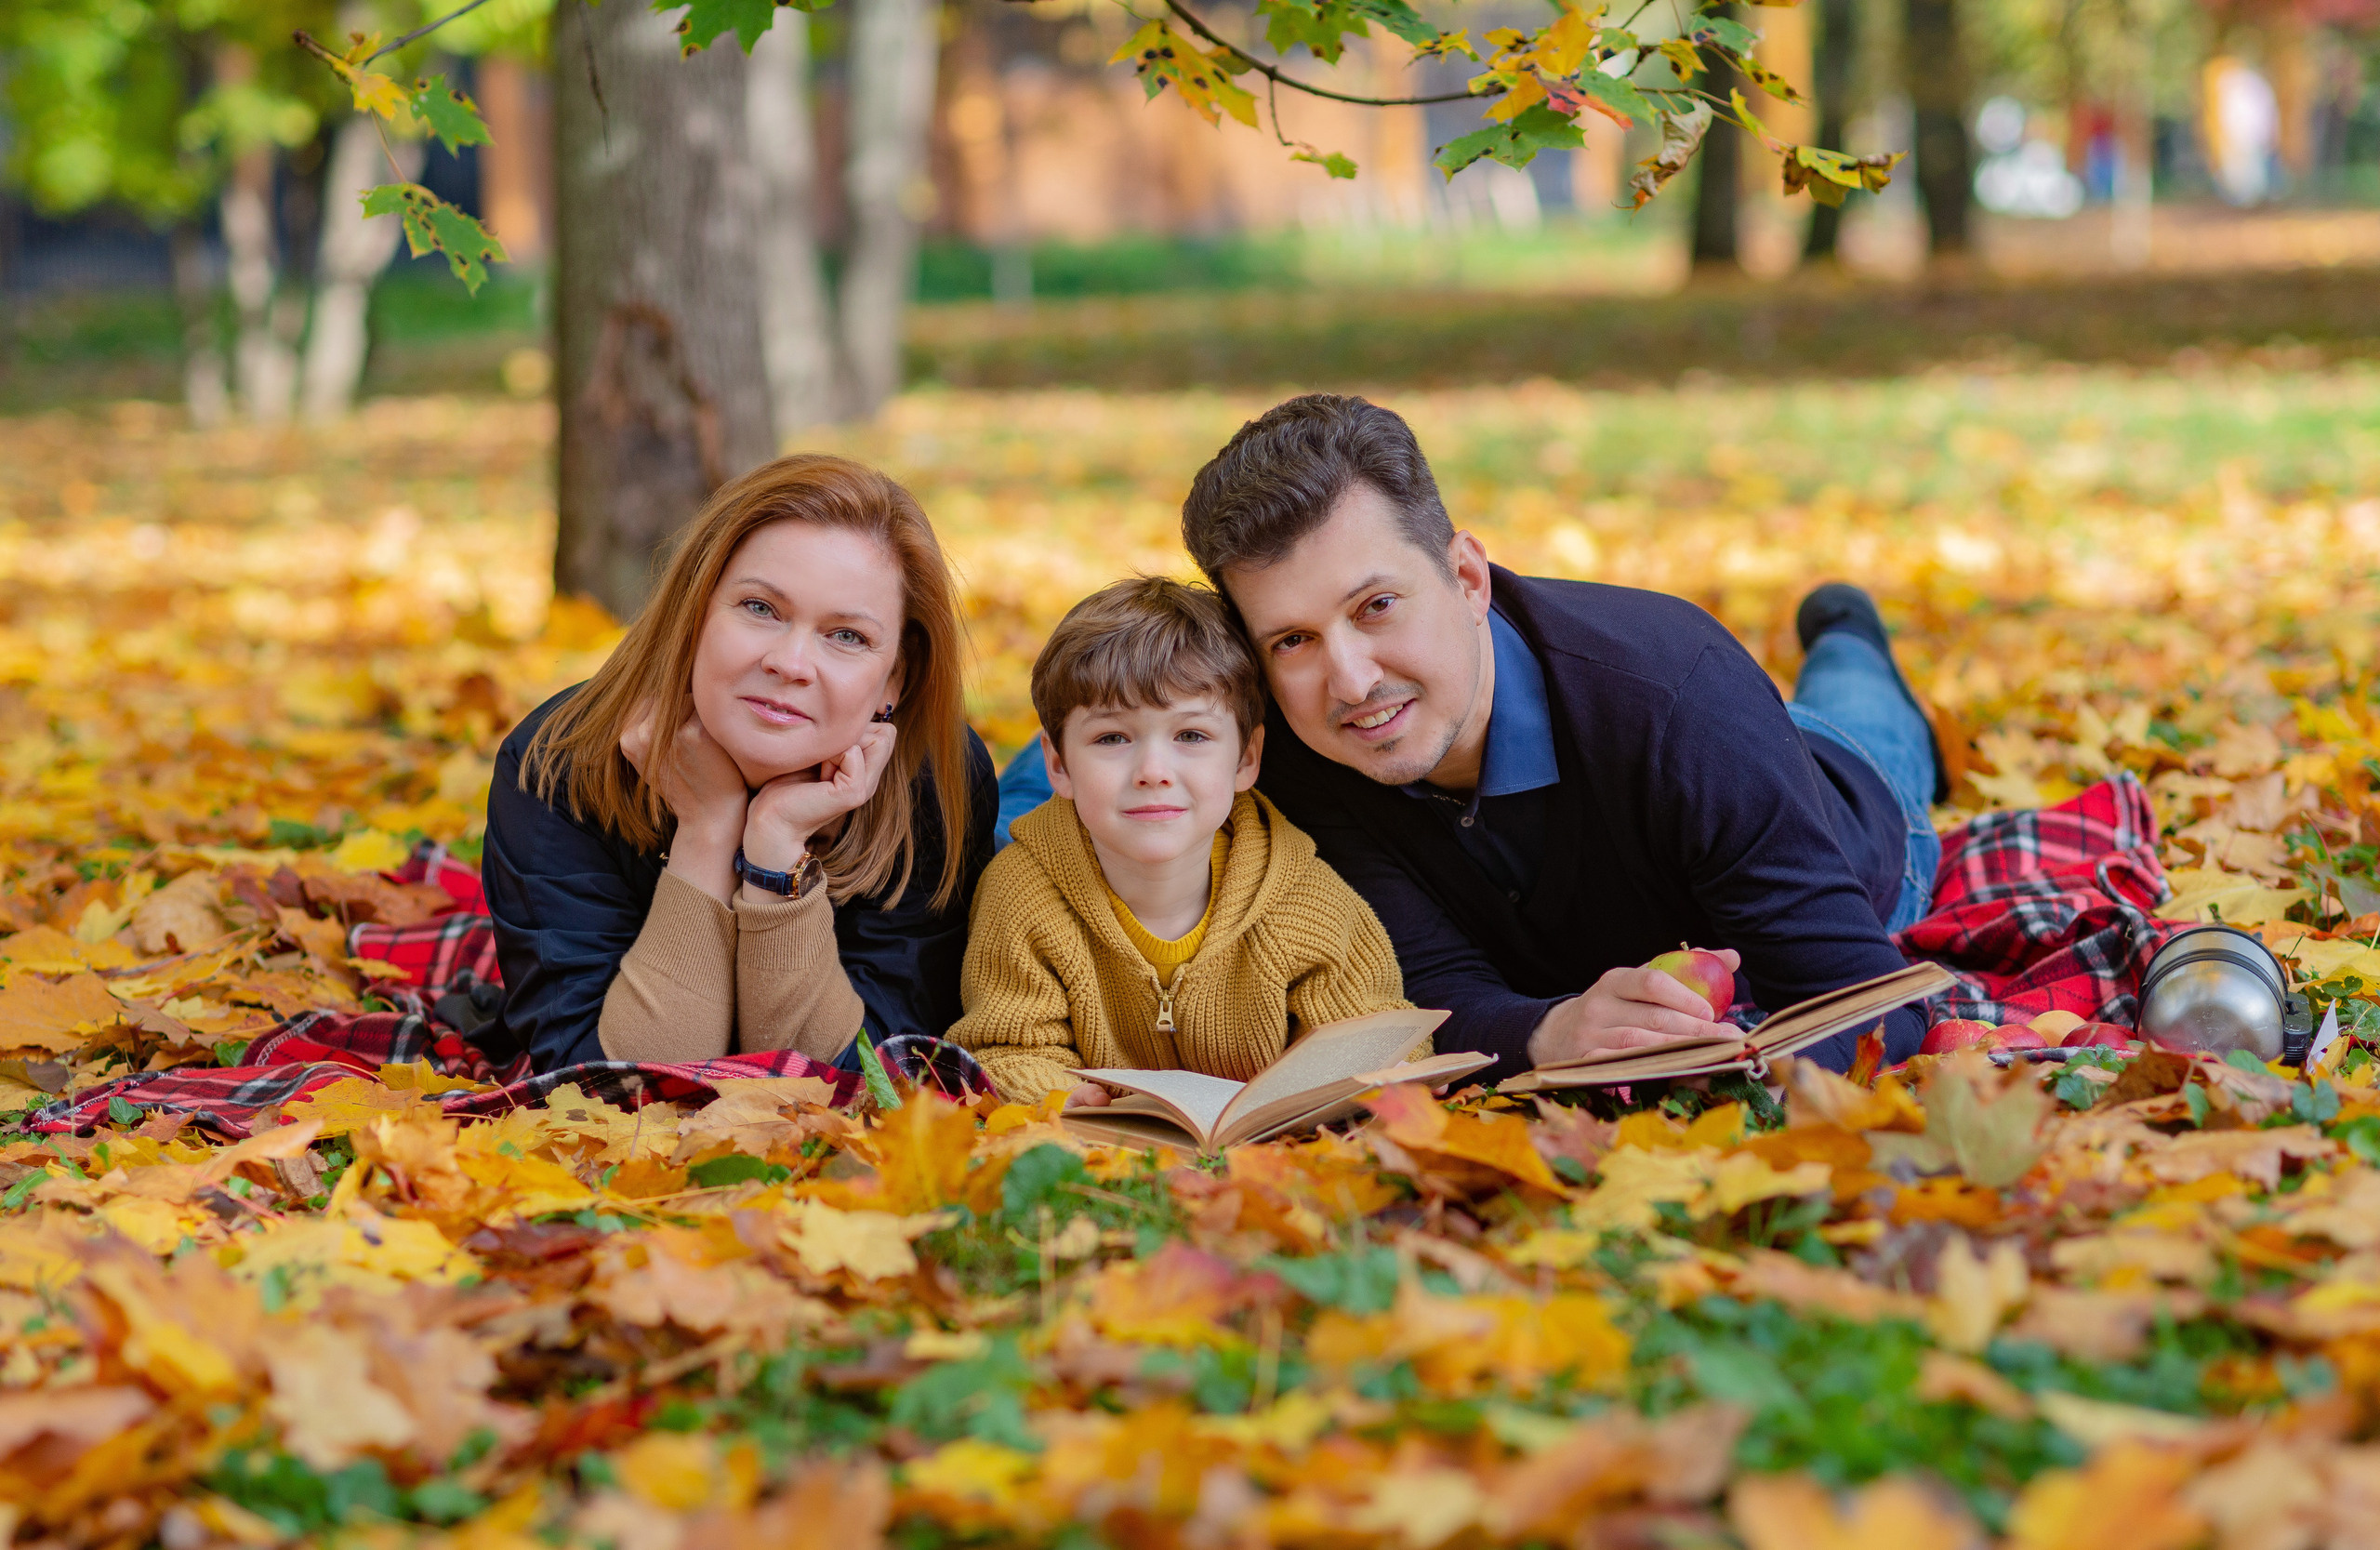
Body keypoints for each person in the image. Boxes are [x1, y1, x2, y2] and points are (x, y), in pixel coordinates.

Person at [1177, 394, 1946, 1080]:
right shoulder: (1290, 746)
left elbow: (1872, 1010)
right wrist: (1548, 1032)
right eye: (1292, 640)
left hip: (1839, 796)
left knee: (1865, 714)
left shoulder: (1684, 701)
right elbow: (1419, 984)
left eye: (1376, 605)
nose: (1348, 680)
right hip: (1682, 745)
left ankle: (1851, 638)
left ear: (1468, 578)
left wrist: (1721, 1081)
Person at [481, 455, 997, 1073]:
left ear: (896, 677)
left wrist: (776, 850)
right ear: (694, 613)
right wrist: (709, 831)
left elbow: (861, 1078)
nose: (791, 662)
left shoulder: (934, 781)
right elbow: (602, 1084)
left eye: (847, 636)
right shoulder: (557, 764)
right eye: (760, 608)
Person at [947, 576, 1411, 1106]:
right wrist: (1058, 1095)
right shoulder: (1021, 897)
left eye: (1190, 735)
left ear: (1245, 759)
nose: (1153, 771)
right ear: (1060, 763)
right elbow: (1004, 1046)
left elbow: (1384, 1040)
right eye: (1112, 737)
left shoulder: (1304, 906)